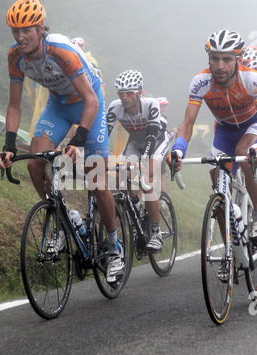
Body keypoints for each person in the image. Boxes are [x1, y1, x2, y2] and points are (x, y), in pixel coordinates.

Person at [0, 0, 124, 284]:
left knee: (97, 180)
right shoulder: (15, 57)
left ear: (41, 28)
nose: (20, 37)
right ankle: (64, 219)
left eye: (26, 30)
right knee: (35, 165)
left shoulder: (61, 50)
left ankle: (114, 247)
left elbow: (91, 99)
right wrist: (8, 145)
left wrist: (78, 141)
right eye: (15, 31)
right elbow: (14, 106)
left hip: (89, 104)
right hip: (58, 106)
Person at [170, 29, 257, 243]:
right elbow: (187, 123)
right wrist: (178, 149)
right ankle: (230, 250)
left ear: (237, 59)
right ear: (208, 59)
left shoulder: (250, 78)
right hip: (225, 132)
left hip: (252, 125)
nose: (220, 66)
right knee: (219, 191)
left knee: (243, 153)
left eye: (227, 59)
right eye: (214, 59)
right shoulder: (201, 82)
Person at [107, 70, 170, 253]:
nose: (124, 97)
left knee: (145, 177)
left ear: (140, 91)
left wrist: (144, 160)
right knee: (121, 176)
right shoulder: (115, 107)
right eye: (121, 93)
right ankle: (137, 211)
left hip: (157, 141)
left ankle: (157, 233)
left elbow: (151, 135)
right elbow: (104, 133)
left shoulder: (151, 104)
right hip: (135, 142)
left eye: (129, 93)